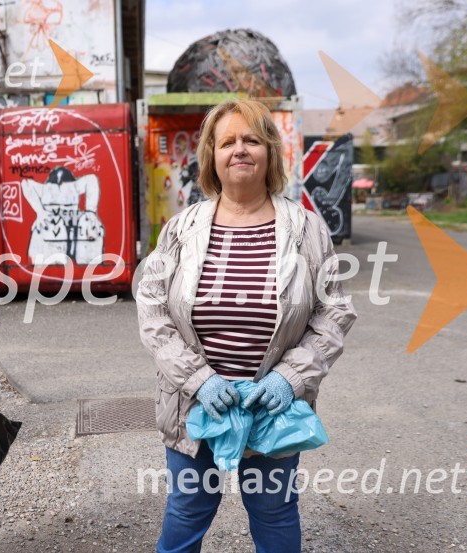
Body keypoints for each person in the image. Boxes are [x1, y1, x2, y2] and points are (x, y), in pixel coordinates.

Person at [137, 98, 357, 553]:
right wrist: (198, 380)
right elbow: (153, 310)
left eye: (252, 140)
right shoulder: (181, 228)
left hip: (273, 406)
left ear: (269, 153)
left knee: (275, 514)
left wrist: (289, 379)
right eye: (228, 141)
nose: (240, 150)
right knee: (186, 512)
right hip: (197, 406)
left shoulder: (307, 229)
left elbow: (332, 312)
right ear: (211, 157)